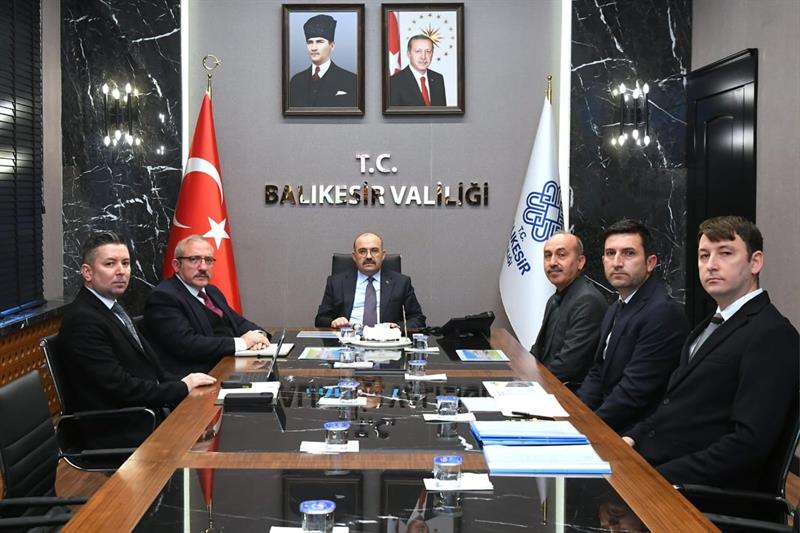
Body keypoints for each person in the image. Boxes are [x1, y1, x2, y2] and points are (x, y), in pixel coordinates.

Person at [623, 216, 798, 491]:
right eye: (704, 256)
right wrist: (631, 438)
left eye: (725, 253)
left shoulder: (772, 334)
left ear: (755, 262)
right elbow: (673, 406)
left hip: (700, 493)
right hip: (656, 465)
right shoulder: (707, 326)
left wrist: (655, 478)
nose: (711, 265)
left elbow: (747, 446)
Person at [57, 231, 216, 446]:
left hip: (147, 413)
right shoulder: (83, 320)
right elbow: (121, 387)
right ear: (87, 272)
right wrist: (181, 387)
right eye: (110, 264)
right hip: (121, 429)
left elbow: (150, 369)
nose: (121, 271)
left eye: (125, 263)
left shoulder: (112, 308)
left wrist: (186, 383)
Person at [577, 219, 688, 433]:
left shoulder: (663, 313)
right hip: (608, 421)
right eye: (610, 253)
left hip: (635, 434)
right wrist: (576, 414)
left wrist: (585, 428)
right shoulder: (616, 307)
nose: (617, 262)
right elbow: (598, 371)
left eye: (628, 253)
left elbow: (634, 392)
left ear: (650, 263)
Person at [144, 234, 270, 375]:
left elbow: (239, 323)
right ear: (176, 265)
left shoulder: (212, 291)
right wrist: (243, 343)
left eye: (208, 260)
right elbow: (187, 344)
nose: (203, 267)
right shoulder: (163, 297)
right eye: (194, 259)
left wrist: (259, 336)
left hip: (228, 367)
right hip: (198, 378)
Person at [531, 231, 608, 385]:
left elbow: (567, 367)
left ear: (580, 262)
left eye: (561, 255)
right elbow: (538, 350)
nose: (552, 262)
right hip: (546, 383)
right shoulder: (554, 299)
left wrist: (530, 383)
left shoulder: (588, 301)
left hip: (569, 393)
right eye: (547, 256)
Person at [315, 232, 426, 329]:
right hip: (348, 340)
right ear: (354, 256)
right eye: (362, 251)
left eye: (374, 251)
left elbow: (418, 319)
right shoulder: (336, 282)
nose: (369, 256)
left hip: (386, 342)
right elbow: (321, 319)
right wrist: (333, 322)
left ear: (383, 255)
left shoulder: (401, 283)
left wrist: (397, 327)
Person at [288, 14, 357, 108]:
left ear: (332, 46)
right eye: (310, 42)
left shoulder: (351, 80)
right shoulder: (296, 81)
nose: (313, 48)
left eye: (320, 42)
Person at [389, 35, 446, 107]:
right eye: (418, 51)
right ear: (409, 54)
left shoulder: (438, 78)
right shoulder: (394, 82)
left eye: (428, 51)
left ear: (432, 54)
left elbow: (443, 112)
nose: (423, 57)